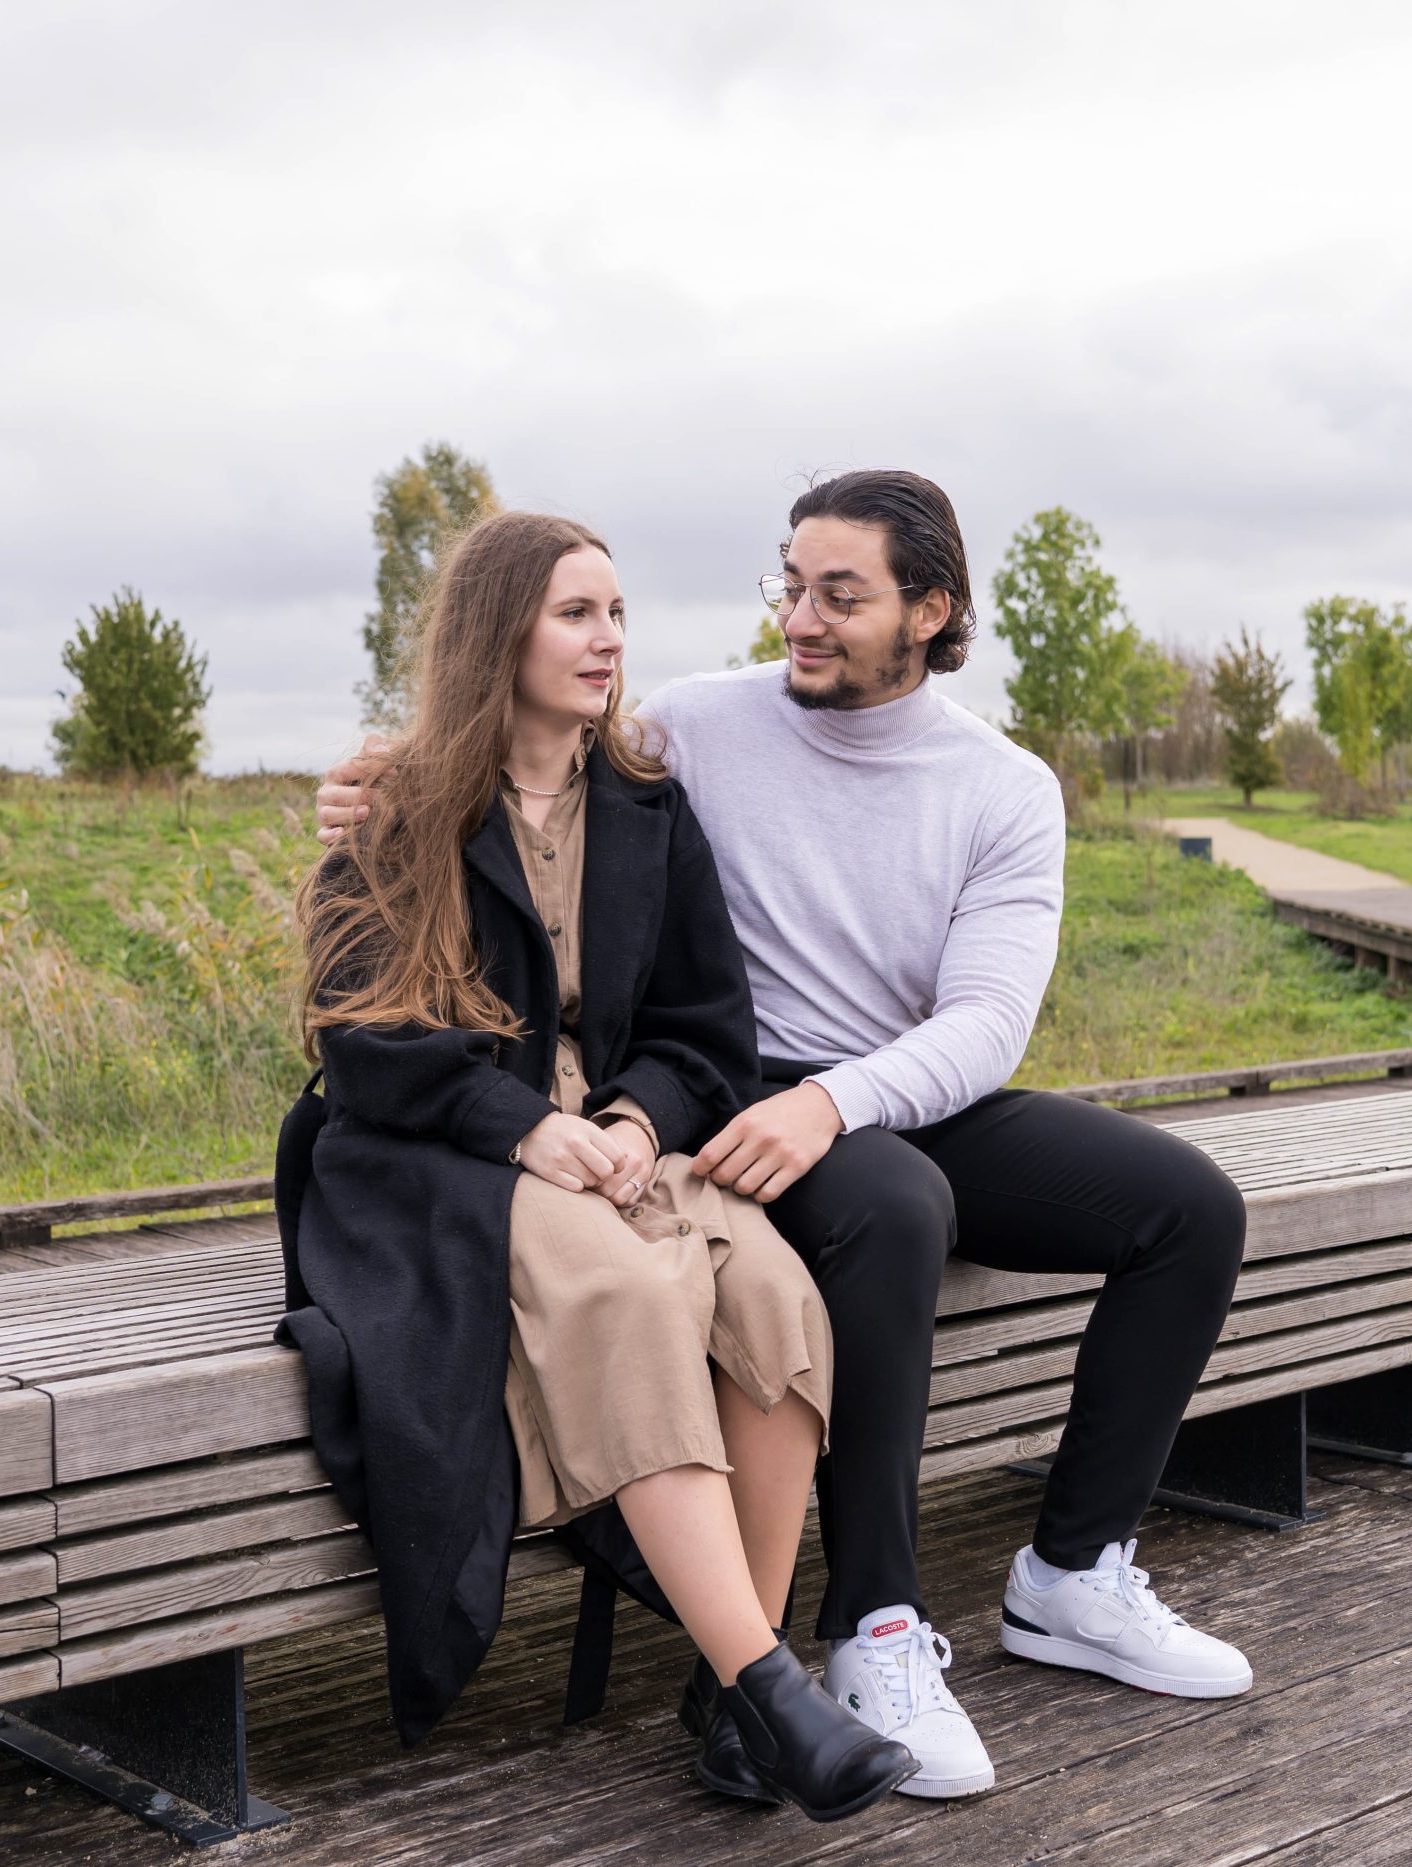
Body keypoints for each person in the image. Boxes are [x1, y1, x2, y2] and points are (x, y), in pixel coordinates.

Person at [317, 471, 1252, 1801]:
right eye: (789, 586)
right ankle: (869, 1628)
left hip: (877, 1092)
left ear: (929, 612)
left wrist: (833, 1101)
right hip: (734, 1092)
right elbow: (512, 764)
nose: (799, 620)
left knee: (1189, 1210)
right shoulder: (695, 726)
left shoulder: (1001, 786)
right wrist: (362, 796)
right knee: (894, 1211)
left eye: (838, 595)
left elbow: (987, 1022)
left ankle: (1073, 1576)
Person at [280, 509, 916, 1821]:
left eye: (618, 614)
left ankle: (726, 1691)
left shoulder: (645, 809)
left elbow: (706, 1034)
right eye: (577, 613)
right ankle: (774, 1686)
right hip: (436, 1162)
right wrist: (526, 1128)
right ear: (495, 631)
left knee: (774, 1297)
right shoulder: (400, 812)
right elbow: (366, 1051)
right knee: (625, 1302)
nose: (608, 639)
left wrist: (632, 1121)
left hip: (611, 1146)